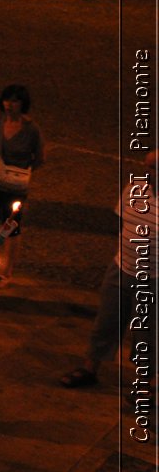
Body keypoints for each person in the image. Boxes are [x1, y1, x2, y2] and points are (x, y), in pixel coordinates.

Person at [61, 150, 154, 389]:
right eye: (148, 166)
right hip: (121, 267)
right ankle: (90, 368)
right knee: (107, 320)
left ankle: (146, 383)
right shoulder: (134, 190)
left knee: (147, 333)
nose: (148, 173)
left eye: (154, 168)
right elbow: (121, 223)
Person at [0, 83, 46, 287]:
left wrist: (20, 172)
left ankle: (6, 272)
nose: (9, 105)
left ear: (23, 104)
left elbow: (39, 158)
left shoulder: (31, 129)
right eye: (7, 100)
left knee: (10, 229)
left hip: (15, 188)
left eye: (15, 100)